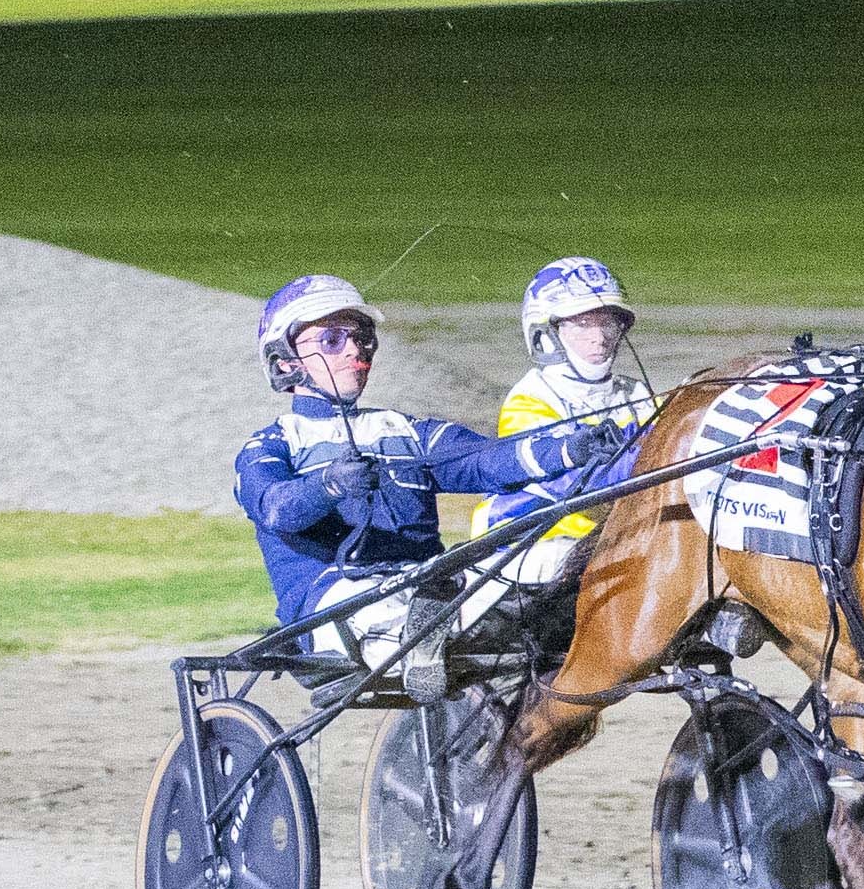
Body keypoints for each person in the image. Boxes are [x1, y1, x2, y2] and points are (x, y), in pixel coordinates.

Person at [235, 273, 630, 700]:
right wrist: (328, 484)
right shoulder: (271, 444)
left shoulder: (405, 430)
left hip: (426, 584)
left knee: (513, 581)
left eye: (363, 338)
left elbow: (488, 460)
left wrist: (570, 448)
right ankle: (417, 640)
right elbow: (275, 508)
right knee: (384, 605)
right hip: (329, 605)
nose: (354, 351)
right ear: (284, 362)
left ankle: (431, 634)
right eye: (332, 340)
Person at [467, 257, 655, 594]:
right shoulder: (530, 400)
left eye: (608, 323)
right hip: (526, 547)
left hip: (607, 540)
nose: (599, 337)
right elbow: (575, 486)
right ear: (545, 333)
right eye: (583, 323)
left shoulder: (636, 393)